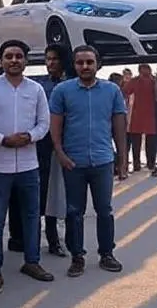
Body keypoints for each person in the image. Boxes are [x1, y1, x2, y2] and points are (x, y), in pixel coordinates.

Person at [0, 40, 54, 293]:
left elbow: (44, 123)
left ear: (26, 61)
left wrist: (30, 137)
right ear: (0, 60)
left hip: (28, 164)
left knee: (31, 217)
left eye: (19, 56)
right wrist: (2, 140)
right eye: (9, 56)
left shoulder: (36, 89)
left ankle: (32, 262)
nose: (14, 60)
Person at [50, 45, 128, 277]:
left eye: (89, 62)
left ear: (97, 64)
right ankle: (77, 257)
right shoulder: (62, 91)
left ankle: (106, 253)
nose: (85, 66)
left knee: (105, 210)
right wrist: (61, 154)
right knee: (74, 211)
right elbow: (55, 127)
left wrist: (121, 159)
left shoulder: (112, 90)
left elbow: (120, 127)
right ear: (74, 65)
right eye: (80, 62)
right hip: (73, 162)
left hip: (103, 160)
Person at [30, 44, 67, 256]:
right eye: (48, 58)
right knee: (42, 193)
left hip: (67, 145)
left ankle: (64, 240)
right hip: (42, 146)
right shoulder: (39, 84)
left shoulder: (71, 84)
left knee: (62, 194)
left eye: (55, 58)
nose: (51, 62)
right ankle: (43, 239)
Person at [123, 64, 157, 172]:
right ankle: (150, 163)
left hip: (139, 114)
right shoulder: (154, 81)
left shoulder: (136, 81)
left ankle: (138, 164)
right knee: (149, 141)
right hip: (149, 114)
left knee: (137, 142)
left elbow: (125, 91)